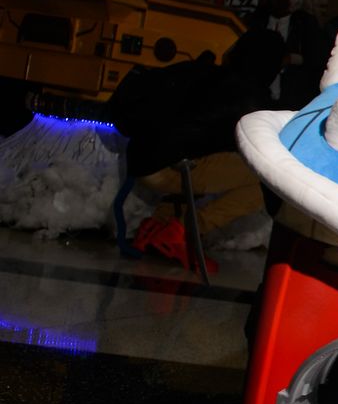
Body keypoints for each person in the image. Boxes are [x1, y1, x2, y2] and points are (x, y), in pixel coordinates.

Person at [110, 29, 286, 268]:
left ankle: (157, 226)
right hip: (168, 166)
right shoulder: (250, 99)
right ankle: (185, 230)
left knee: (210, 164)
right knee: (263, 178)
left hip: (141, 155)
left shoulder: (205, 70)